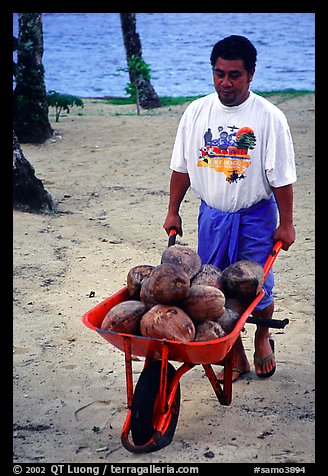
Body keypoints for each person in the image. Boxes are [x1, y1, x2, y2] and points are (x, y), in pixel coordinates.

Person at [163, 35, 296, 381]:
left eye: (234, 75)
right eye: (219, 73)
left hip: (256, 215)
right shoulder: (196, 112)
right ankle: (232, 348)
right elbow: (182, 168)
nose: (225, 82)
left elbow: (281, 178)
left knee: (257, 287)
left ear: (251, 75)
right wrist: (173, 210)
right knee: (213, 287)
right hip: (212, 215)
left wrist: (287, 223)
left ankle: (263, 335)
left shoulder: (269, 117)